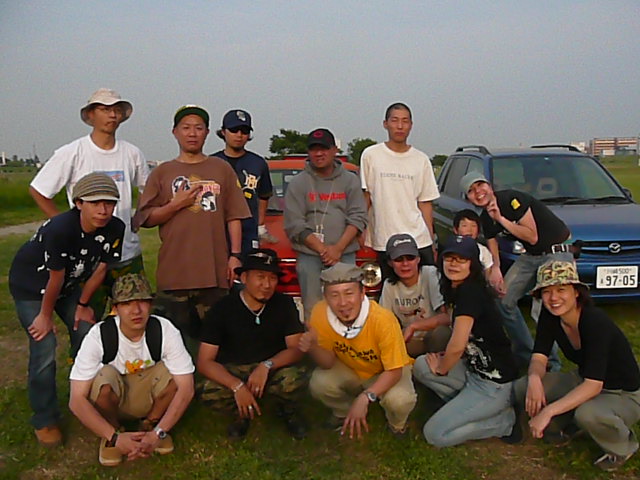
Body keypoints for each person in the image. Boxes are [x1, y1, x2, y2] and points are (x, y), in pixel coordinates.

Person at [9, 172, 125, 447]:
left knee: (87, 332)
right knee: (44, 345)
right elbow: (55, 277)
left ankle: (90, 399)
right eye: (95, 203)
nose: (103, 210)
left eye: (109, 203)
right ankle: (45, 417)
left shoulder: (115, 228)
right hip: (32, 285)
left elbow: (101, 269)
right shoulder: (60, 228)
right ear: (78, 203)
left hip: (69, 285)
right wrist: (44, 316)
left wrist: (82, 305)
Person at [133, 105, 250, 353]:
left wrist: (235, 256)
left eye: (198, 128)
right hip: (175, 274)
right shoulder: (162, 172)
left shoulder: (221, 169)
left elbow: (234, 216)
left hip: (213, 273)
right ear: (175, 132)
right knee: (173, 345)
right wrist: (176, 205)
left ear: (207, 132)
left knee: (216, 343)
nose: (192, 133)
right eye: (186, 128)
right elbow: (146, 218)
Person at [29, 88, 149, 319]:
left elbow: (148, 188)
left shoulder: (132, 153)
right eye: (104, 109)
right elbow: (39, 190)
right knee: (88, 320)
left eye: (116, 110)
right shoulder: (72, 152)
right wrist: (64, 225)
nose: (112, 115)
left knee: (134, 317)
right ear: (91, 115)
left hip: (127, 252)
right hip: (87, 258)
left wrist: (139, 215)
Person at [513, 260, 640, 472]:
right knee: (523, 386)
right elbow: (539, 356)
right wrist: (534, 379)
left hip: (622, 392)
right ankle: (568, 423)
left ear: (576, 292)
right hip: (583, 378)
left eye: (561, 289)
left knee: (587, 414)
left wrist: (548, 412)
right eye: (547, 291)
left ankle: (622, 447)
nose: (553, 298)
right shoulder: (551, 315)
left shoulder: (595, 322)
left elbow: (593, 385)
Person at [69, 273, 195, 467]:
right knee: (102, 378)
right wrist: (115, 437)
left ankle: (151, 426)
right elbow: (76, 400)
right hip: (116, 398)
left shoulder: (165, 329)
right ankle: (112, 434)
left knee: (174, 375)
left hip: (149, 397)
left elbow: (187, 388)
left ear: (150, 304)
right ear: (116, 308)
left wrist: (158, 433)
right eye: (127, 304)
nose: (136, 310)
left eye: (142, 302)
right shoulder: (99, 335)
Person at [413, 235, 519, 447]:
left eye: (461, 259)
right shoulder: (457, 288)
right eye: (449, 258)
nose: (454, 264)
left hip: (494, 385)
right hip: (472, 370)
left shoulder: (470, 292)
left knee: (435, 434)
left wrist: (442, 369)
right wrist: (415, 326)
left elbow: (457, 346)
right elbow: (451, 318)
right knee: (421, 366)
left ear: (473, 264)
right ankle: (468, 409)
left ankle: (503, 422)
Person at [461, 171, 571, 371]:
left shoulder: (512, 199)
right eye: (471, 191)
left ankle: (552, 365)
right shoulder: (485, 217)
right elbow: (492, 241)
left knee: (545, 309)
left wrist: (501, 219)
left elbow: (532, 236)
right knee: (503, 299)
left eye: (480, 185)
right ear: (468, 198)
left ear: (490, 186)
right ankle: (526, 354)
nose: (478, 192)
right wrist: (496, 267)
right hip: (532, 256)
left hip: (556, 251)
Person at [197, 249, 308, 439]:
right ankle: (241, 414)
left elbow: (296, 349)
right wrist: (236, 386)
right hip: (235, 370)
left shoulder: (284, 304)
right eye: (260, 277)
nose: (267, 285)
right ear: (244, 278)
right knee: (207, 391)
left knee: (295, 378)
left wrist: (267, 365)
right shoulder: (222, 308)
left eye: (272, 278)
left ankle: (286, 410)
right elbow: (204, 361)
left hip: (272, 369)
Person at [299, 263, 416, 438]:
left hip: (388, 369)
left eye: (349, 293)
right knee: (319, 383)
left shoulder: (383, 320)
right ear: (326, 298)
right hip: (352, 366)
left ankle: (397, 425)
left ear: (362, 294)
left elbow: (394, 371)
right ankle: (343, 412)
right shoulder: (320, 312)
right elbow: (328, 362)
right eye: (334, 295)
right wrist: (312, 347)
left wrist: (365, 397)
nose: (343, 303)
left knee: (400, 400)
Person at [284, 128, 367, 322]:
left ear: (334, 150)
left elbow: (358, 217)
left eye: (324, 149)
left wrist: (337, 249)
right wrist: (323, 250)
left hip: (344, 253)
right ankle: (316, 340)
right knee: (314, 309)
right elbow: (294, 224)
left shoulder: (350, 180)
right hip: (309, 255)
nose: (319, 153)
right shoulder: (298, 183)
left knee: (348, 306)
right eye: (314, 149)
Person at [360, 102, 439, 278]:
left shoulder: (421, 159)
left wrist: (431, 240)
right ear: (385, 124)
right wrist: (361, 229)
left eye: (405, 121)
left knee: (426, 288)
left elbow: (425, 203)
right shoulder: (371, 155)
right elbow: (366, 197)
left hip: (418, 239)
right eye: (395, 120)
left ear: (411, 125)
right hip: (384, 239)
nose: (400, 126)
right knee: (389, 288)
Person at [212, 109, 277, 257]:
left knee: (247, 268)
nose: (239, 135)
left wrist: (259, 224)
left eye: (244, 131)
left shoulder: (258, 163)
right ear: (223, 132)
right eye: (234, 130)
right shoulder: (212, 162)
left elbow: (264, 195)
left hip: (248, 231)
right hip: (217, 229)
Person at [378, 233, 451, 357]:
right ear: (390, 262)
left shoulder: (430, 274)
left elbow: (446, 318)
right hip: (408, 340)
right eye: (399, 259)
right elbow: (383, 322)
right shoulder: (389, 285)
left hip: (432, 337)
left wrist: (414, 326)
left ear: (418, 259)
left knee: (441, 333)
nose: (405, 264)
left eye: (410, 258)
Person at [452, 209, 495, 277]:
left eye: (473, 226)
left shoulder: (483, 251)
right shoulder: (450, 248)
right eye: (464, 225)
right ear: (455, 230)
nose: (469, 229)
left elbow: (488, 272)